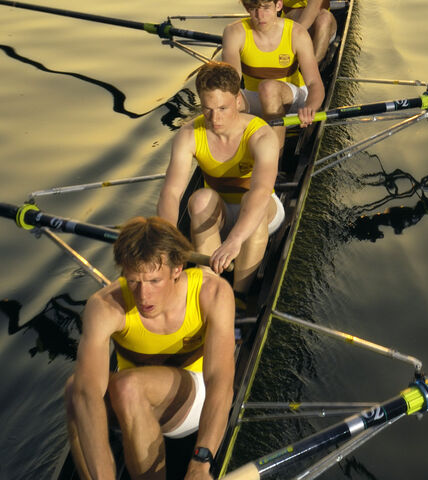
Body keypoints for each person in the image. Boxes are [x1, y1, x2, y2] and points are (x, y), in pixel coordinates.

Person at [65, 217, 235, 480]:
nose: (143, 296)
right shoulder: (104, 306)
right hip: (132, 403)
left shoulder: (212, 292)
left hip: (193, 401)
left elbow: (221, 383)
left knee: (127, 386)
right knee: (75, 389)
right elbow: (88, 395)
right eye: (134, 281)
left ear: (177, 268)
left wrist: (201, 462)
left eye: (155, 281)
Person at [158, 61, 282, 295]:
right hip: (221, 213)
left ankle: (239, 296)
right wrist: (167, 235)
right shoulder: (188, 135)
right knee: (199, 199)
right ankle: (210, 289)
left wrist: (235, 240)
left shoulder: (262, 135)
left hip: (263, 212)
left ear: (237, 100)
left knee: (253, 202)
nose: (214, 118)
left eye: (223, 108)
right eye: (207, 109)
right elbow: (171, 193)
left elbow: (261, 192)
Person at [222, 0, 325, 142]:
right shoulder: (234, 32)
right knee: (221, 100)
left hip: (294, 100)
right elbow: (231, 84)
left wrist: (311, 108)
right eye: (254, 9)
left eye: (266, 8)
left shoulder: (296, 33)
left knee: (268, 87)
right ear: (247, 8)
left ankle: (275, 159)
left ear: (278, 6)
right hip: (255, 97)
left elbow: (315, 83)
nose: (260, 15)